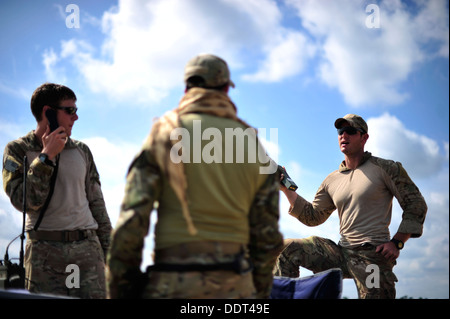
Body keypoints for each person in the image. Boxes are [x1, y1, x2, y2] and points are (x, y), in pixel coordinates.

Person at [106, 54, 283, 299]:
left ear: (187, 87)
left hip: (171, 284)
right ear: (225, 89)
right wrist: (257, 292)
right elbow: (267, 237)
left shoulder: (164, 132)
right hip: (236, 287)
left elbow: (131, 224)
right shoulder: (252, 143)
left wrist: (121, 292)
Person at [273, 114, 427, 299]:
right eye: (340, 131)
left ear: (364, 137)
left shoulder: (386, 168)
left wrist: (397, 242)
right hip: (341, 252)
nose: (343, 135)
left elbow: (415, 204)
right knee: (286, 248)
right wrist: (286, 189)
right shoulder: (332, 180)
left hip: (373, 256)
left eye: (351, 131)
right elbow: (313, 216)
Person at [2, 83, 112, 298]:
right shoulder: (17, 150)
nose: (76, 117)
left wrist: (114, 257)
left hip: (86, 252)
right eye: (70, 110)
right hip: (44, 255)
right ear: (48, 112)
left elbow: (97, 205)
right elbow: (24, 201)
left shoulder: (82, 151)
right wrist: (45, 157)